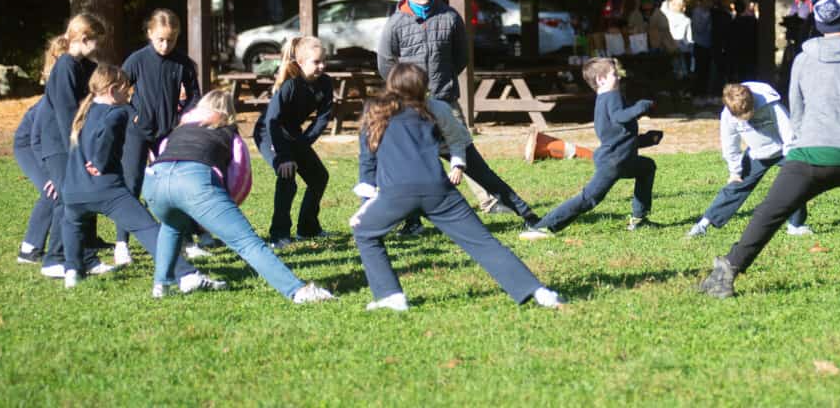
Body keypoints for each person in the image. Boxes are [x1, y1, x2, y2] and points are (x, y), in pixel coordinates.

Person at [698, 0, 840, 298]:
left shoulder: (803, 58)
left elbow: (796, 111)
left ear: (818, 23)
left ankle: (727, 273)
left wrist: (800, 145)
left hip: (807, 157)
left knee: (768, 214)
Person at [349, 64, 563, 311]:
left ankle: (389, 296)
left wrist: (365, 208)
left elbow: (367, 161)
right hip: (440, 191)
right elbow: (454, 139)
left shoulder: (374, 111)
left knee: (365, 232)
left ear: (391, 85)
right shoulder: (432, 111)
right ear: (422, 88)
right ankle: (539, 291)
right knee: (483, 242)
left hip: (396, 194)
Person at [144, 90, 333, 302]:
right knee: (247, 241)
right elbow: (239, 177)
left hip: (154, 182)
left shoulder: (178, 130)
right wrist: (223, 209)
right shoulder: (229, 134)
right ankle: (297, 291)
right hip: (195, 181)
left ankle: (161, 285)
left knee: (171, 226)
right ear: (228, 113)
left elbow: (162, 151)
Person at [59, 64, 221, 293]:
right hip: (106, 189)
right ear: (113, 90)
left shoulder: (84, 112)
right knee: (147, 228)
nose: (130, 94)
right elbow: (106, 133)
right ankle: (186, 275)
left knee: (72, 224)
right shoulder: (116, 112)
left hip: (73, 190)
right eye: (127, 89)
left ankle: (72, 271)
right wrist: (100, 163)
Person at [376, 0, 505, 216]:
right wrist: (405, 89)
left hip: (445, 96)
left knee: (464, 148)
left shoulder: (449, 16)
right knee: (413, 156)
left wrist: (443, 80)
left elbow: (461, 56)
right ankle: (414, 213)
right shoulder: (395, 23)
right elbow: (385, 62)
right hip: (410, 102)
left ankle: (489, 201)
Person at [520, 58, 661, 239]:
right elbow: (621, 117)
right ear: (601, 79)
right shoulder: (612, 96)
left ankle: (639, 219)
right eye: (614, 74)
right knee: (588, 199)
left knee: (647, 167)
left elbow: (618, 135)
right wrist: (642, 106)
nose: (618, 77)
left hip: (621, 159)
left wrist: (647, 140)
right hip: (613, 163)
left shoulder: (604, 100)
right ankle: (543, 227)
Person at [116, 9, 202, 266]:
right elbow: (118, 90)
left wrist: (183, 117)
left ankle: (185, 240)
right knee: (131, 183)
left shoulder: (183, 63)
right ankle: (122, 244)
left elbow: (195, 95)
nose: (165, 45)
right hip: (137, 132)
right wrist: (132, 115)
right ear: (150, 34)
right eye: (161, 39)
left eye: (171, 40)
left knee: (175, 184)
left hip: (169, 132)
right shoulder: (137, 60)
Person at [686, 82, 812, 239]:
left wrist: (793, 161)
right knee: (735, 185)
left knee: (795, 183)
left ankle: (796, 225)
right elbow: (730, 144)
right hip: (756, 153)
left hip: (784, 150)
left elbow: (789, 133)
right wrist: (734, 171)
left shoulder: (771, 104)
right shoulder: (727, 116)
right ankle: (703, 224)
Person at [39, 15, 111, 278]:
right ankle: (54, 259)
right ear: (84, 39)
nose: (99, 47)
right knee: (67, 201)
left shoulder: (83, 66)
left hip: (73, 143)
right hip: (60, 145)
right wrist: (78, 149)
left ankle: (84, 256)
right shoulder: (66, 67)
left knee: (82, 198)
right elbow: (67, 114)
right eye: (97, 41)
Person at [254, 36, 334, 248]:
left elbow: (323, 118)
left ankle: (308, 229)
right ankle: (279, 234)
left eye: (324, 61)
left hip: (293, 133)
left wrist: (303, 144)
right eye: (316, 62)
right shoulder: (289, 85)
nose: (322, 66)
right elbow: (272, 122)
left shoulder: (325, 83)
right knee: (287, 176)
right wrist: (283, 156)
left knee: (319, 177)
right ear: (300, 63)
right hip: (269, 133)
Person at [13, 100, 51, 264]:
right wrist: (51, 173)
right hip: (28, 145)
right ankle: (28, 249)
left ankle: (88, 241)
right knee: (52, 192)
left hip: (51, 145)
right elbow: (36, 139)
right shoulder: (53, 100)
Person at [690, 0, 714, 97]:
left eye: (711, 1)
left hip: (709, 44)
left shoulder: (711, 12)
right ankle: (698, 93)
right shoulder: (697, 12)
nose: (709, 3)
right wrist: (707, 19)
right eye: (707, 0)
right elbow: (698, 28)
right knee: (700, 71)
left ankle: (705, 93)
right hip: (700, 44)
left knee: (707, 71)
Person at [665, 0, 694, 80]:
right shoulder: (686, 20)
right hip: (680, 50)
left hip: (669, 49)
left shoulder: (665, 17)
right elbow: (689, 40)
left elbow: (689, 39)